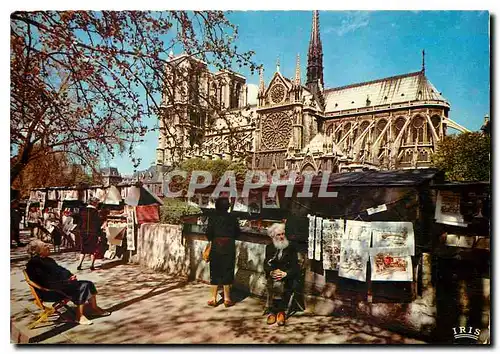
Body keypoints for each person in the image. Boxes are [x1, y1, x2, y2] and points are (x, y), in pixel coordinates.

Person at [26, 240, 110, 325]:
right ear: (38, 250)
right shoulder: (34, 264)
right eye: (44, 246)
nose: (48, 246)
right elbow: (45, 281)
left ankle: (94, 308)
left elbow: (60, 270)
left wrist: (69, 276)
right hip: (49, 292)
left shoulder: (48, 260)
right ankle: (79, 317)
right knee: (83, 287)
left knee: (88, 283)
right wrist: (66, 281)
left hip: (59, 286)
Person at [206, 197, 240, 308]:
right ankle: (227, 299)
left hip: (216, 245)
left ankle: (213, 298)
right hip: (229, 246)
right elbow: (237, 233)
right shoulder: (233, 217)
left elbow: (208, 233)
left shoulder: (212, 217)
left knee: (214, 270)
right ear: (228, 207)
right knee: (228, 270)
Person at [263, 223, 299, 326]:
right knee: (274, 282)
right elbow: (266, 264)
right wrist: (271, 272)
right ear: (273, 236)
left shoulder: (291, 247)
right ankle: (275, 312)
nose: (281, 237)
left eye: (283, 234)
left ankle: (278, 311)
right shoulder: (270, 247)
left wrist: (285, 273)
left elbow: (295, 267)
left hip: (287, 277)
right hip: (274, 276)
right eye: (278, 235)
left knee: (278, 284)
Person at [76, 197, 103, 271]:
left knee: (83, 249)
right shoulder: (95, 212)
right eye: (97, 203)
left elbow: (79, 222)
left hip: (83, 232)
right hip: (93, 232)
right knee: (93, 249)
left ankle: (79, 264)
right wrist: (100, 234)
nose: (97, 204)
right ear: (94, 203)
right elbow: (97, 224)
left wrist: (80, 230)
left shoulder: (82, 211)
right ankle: (92, 265)